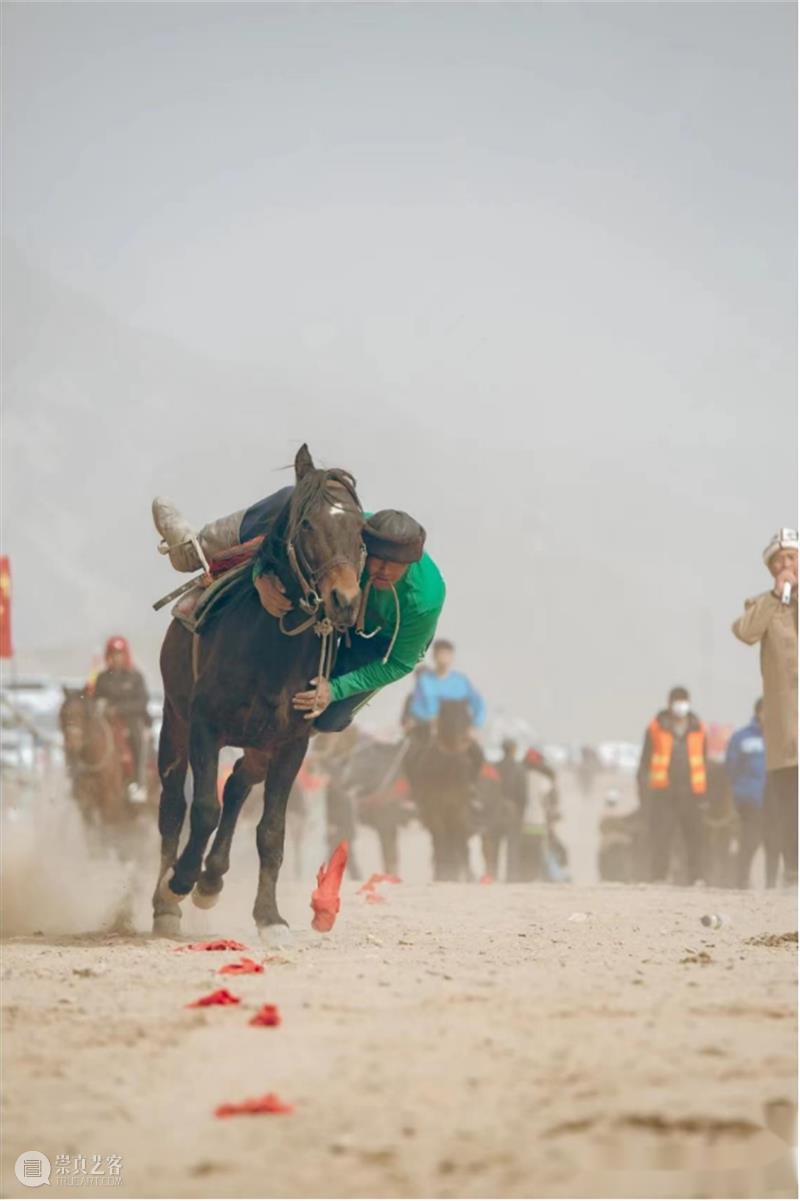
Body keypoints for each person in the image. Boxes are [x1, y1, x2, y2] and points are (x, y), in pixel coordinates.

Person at [152, 489, 446, 735]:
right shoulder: (353, 531)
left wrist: (337, 688)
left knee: (328, 719)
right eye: (376, 559)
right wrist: (260, 573)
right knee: (295, 502)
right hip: (331, 604)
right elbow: (286, 543)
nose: (381, 570)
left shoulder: (425, 600)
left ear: (410, 564)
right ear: (362, 546)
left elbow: (398, 663)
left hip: (377, 640)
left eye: (394, 565)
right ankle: (193, 550)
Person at [732, 528, 797, 887]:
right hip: (784, 721)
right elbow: (745, 632)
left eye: (792, 558)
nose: (787, 565)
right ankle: (793, 867)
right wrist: (776, 597)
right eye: (779, 560)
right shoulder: (764, 604)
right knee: (788, 798)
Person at [637, 686, 708, 885]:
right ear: (669, 704)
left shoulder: (698, 727)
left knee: (694, 836)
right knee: (662, 835)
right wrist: (644, 793)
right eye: (677, 701)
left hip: (692, 791)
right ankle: (659, 876)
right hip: (664, 791)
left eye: (683, 701)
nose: (680, 706)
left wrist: (704, 795)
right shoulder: (656, 727)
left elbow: (703, 761)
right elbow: (645, 762)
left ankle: (696, 876)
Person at [92, 635, 150, 802]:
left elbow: (142, 702)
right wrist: (101, 706)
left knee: (137, 738)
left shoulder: (135, 677)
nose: (116, 658)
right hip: (108, 722)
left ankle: (139, 783)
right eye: (113, 654)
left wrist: (119, 709)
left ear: (125, 655)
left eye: (120, 654)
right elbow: (96, 698)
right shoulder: (102, 678)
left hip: (132, 720)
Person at [724, 700, 767, 889]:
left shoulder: (782, 737)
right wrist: (739, 789)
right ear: (758, 712)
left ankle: (772, 881)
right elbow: (731, 767)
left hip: (775, 800)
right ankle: (742, 879)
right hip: (748, 798)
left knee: (774, 843)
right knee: (749, 840)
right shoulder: (742, 737)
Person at [406, 639, 486, 734]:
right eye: (441, 654)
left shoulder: (461, 681)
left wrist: (475, 725)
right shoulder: (424, 681)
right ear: (434, 656)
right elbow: (416, 706)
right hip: (430, 730)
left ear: (452, 656)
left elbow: (478, 703)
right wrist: (430, 718)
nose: (444, 658)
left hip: (458, 731)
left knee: (475, 748)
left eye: (447, 654)